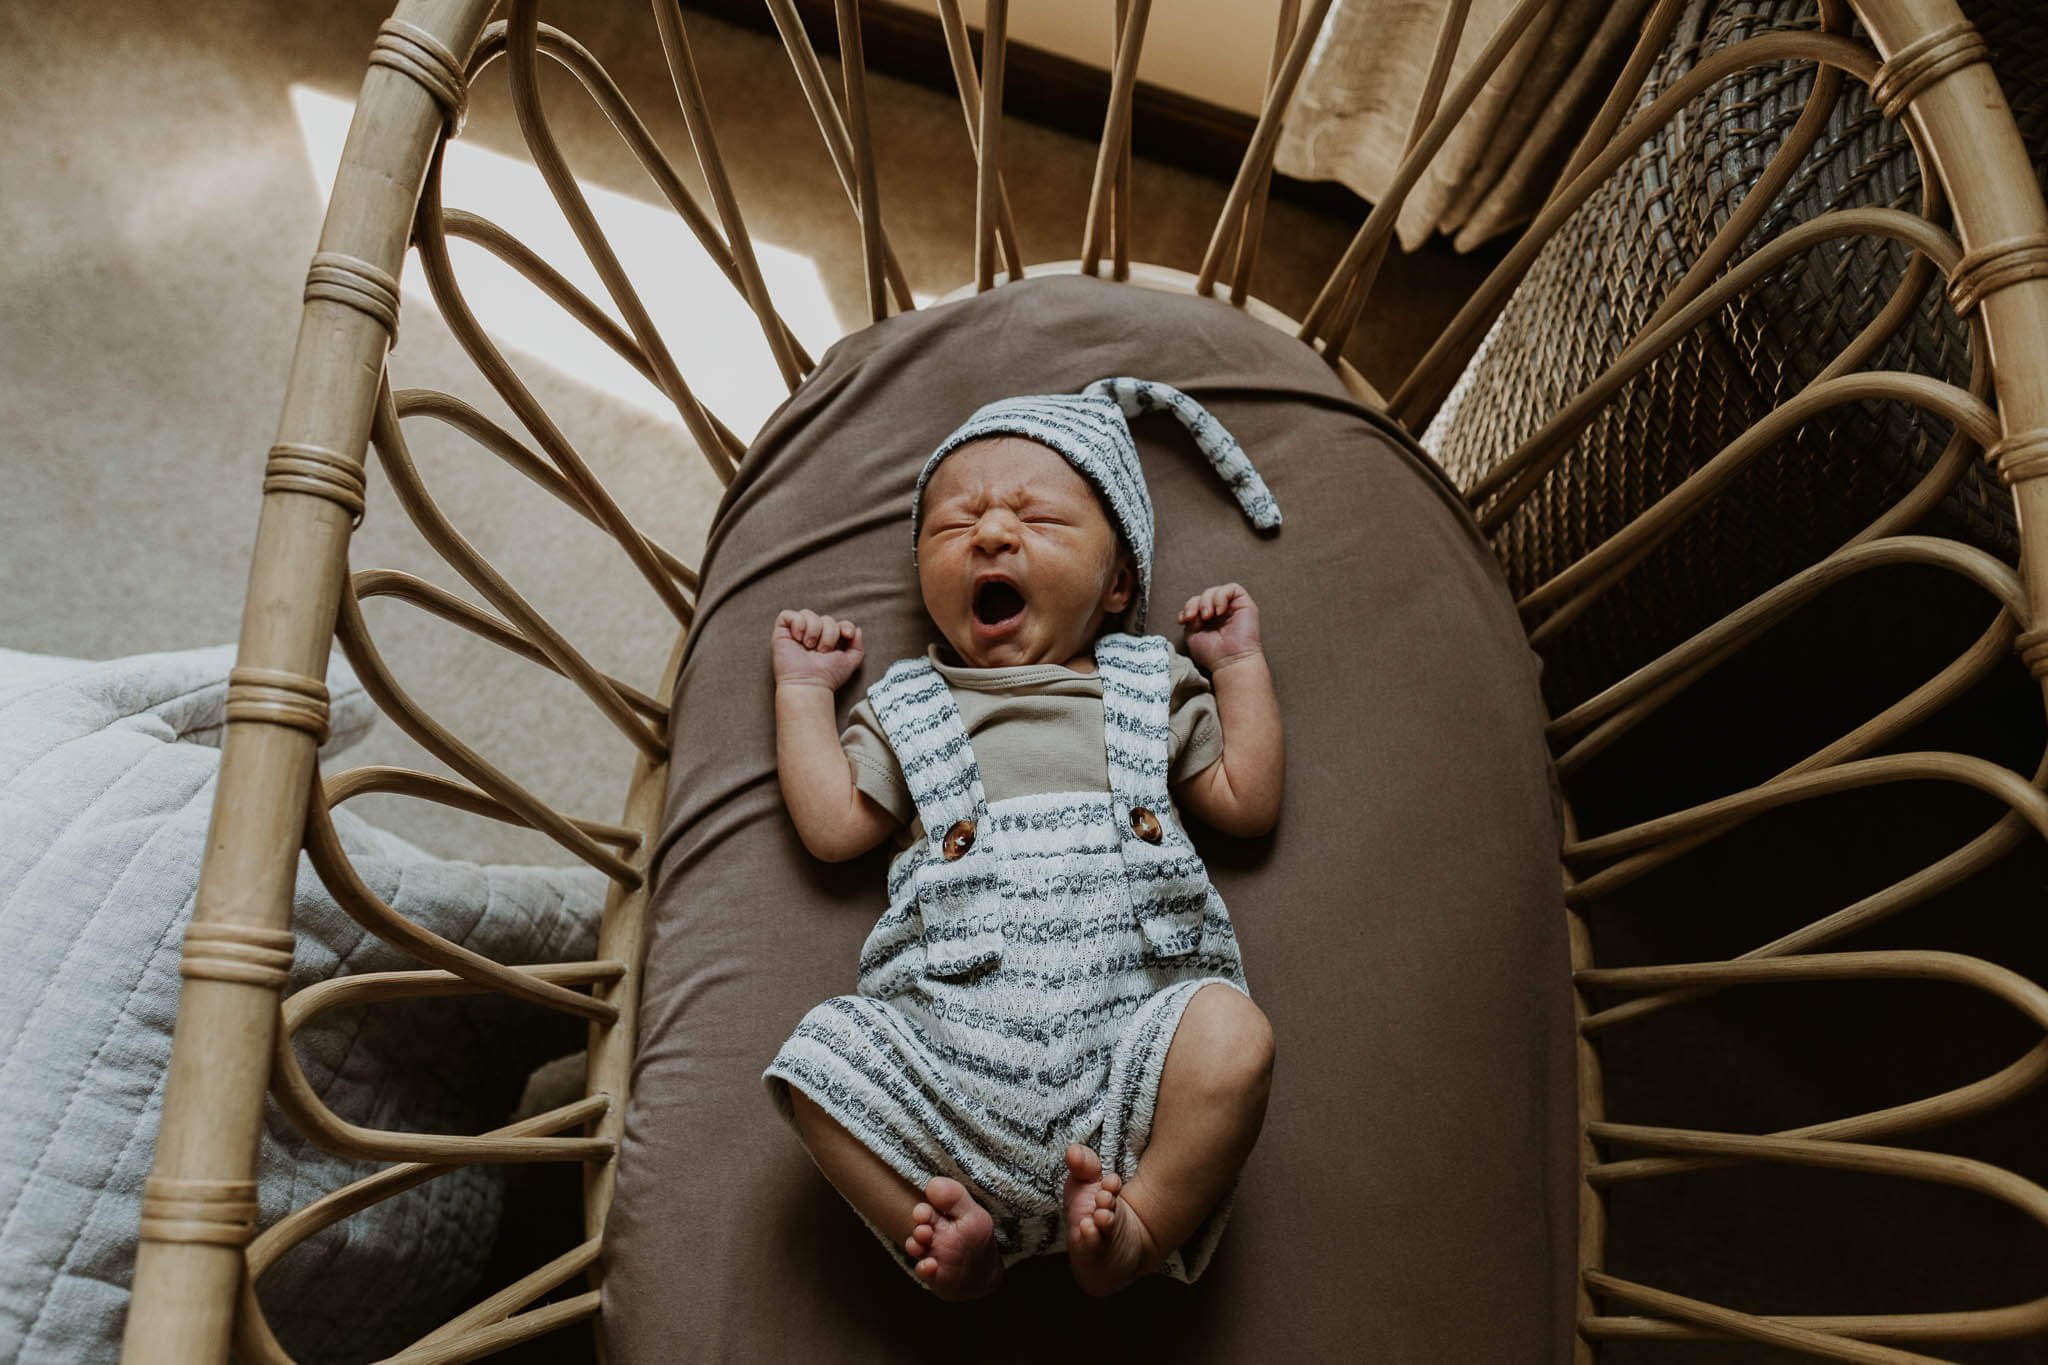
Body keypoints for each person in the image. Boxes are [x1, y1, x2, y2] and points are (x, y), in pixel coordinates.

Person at [763, 377, 1283, 1300]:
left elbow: (1247, 800)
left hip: (1133, 1061)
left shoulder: (1145, 681)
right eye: (953, 525)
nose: (992, 534)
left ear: (1119, 581)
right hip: (952, 1071)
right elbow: (835, 827)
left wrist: (1237, 668)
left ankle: (1141, 1226)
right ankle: (942, 1231)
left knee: (1235, 1036)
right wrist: (805, 693)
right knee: (816, 1058)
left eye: (1037, 518)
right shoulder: (907, 706)